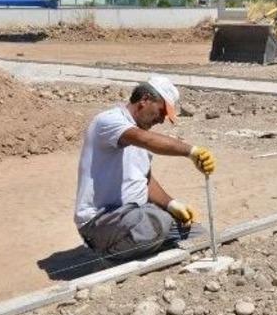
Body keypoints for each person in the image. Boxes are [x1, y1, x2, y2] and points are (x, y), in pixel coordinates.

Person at [74, 76, 217, 261]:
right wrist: (191, 151)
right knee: (155, 223)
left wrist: (171, 204)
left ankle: (140, 249)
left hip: (136, 217)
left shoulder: (140, 136)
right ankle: (107, 260)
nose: (161, 120)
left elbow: (145, 180)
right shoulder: (109, 121)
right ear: (145, 100)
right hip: (101, 221)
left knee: (198, 236)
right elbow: (144, 140)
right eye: (161, 111)